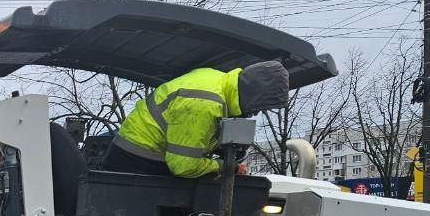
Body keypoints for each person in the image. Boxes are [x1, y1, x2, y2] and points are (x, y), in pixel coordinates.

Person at [104, 60, 290, 178]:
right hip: (137, 162)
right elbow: (184, 166)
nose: (255, 113)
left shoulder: (216, 78)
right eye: (259, 108)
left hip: (138, 153)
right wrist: (226, 167)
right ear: (253, 97)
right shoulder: (205, 104)